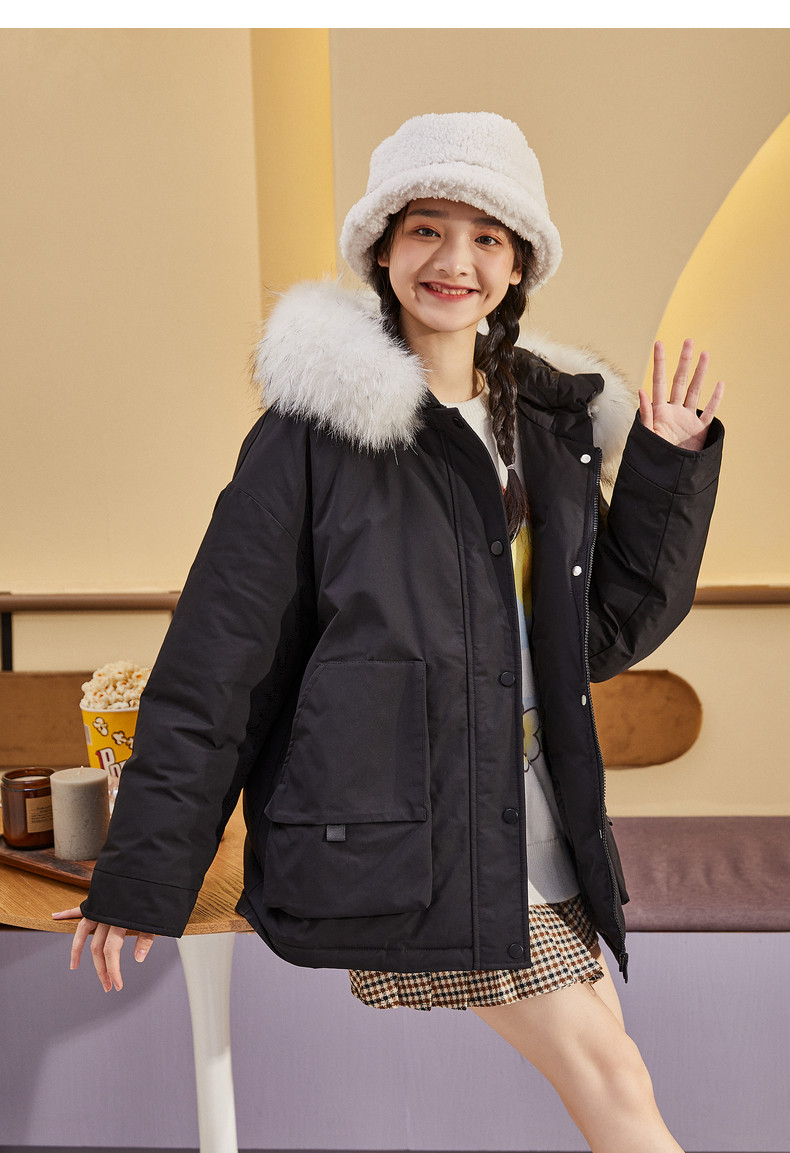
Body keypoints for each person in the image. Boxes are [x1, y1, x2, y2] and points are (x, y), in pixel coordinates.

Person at [55, 112, 724, 1152]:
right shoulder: (312, 435)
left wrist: (662, 471)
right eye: (426, 230)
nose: (455, 261)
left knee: (612, 1063)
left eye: (486, 237)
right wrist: (143, 873)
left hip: (538, 822)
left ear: (517, 265)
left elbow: (596, 635)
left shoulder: (546, 433)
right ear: (381, 247)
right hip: (417, 834)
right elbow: (218, 664)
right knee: (614, 1076)